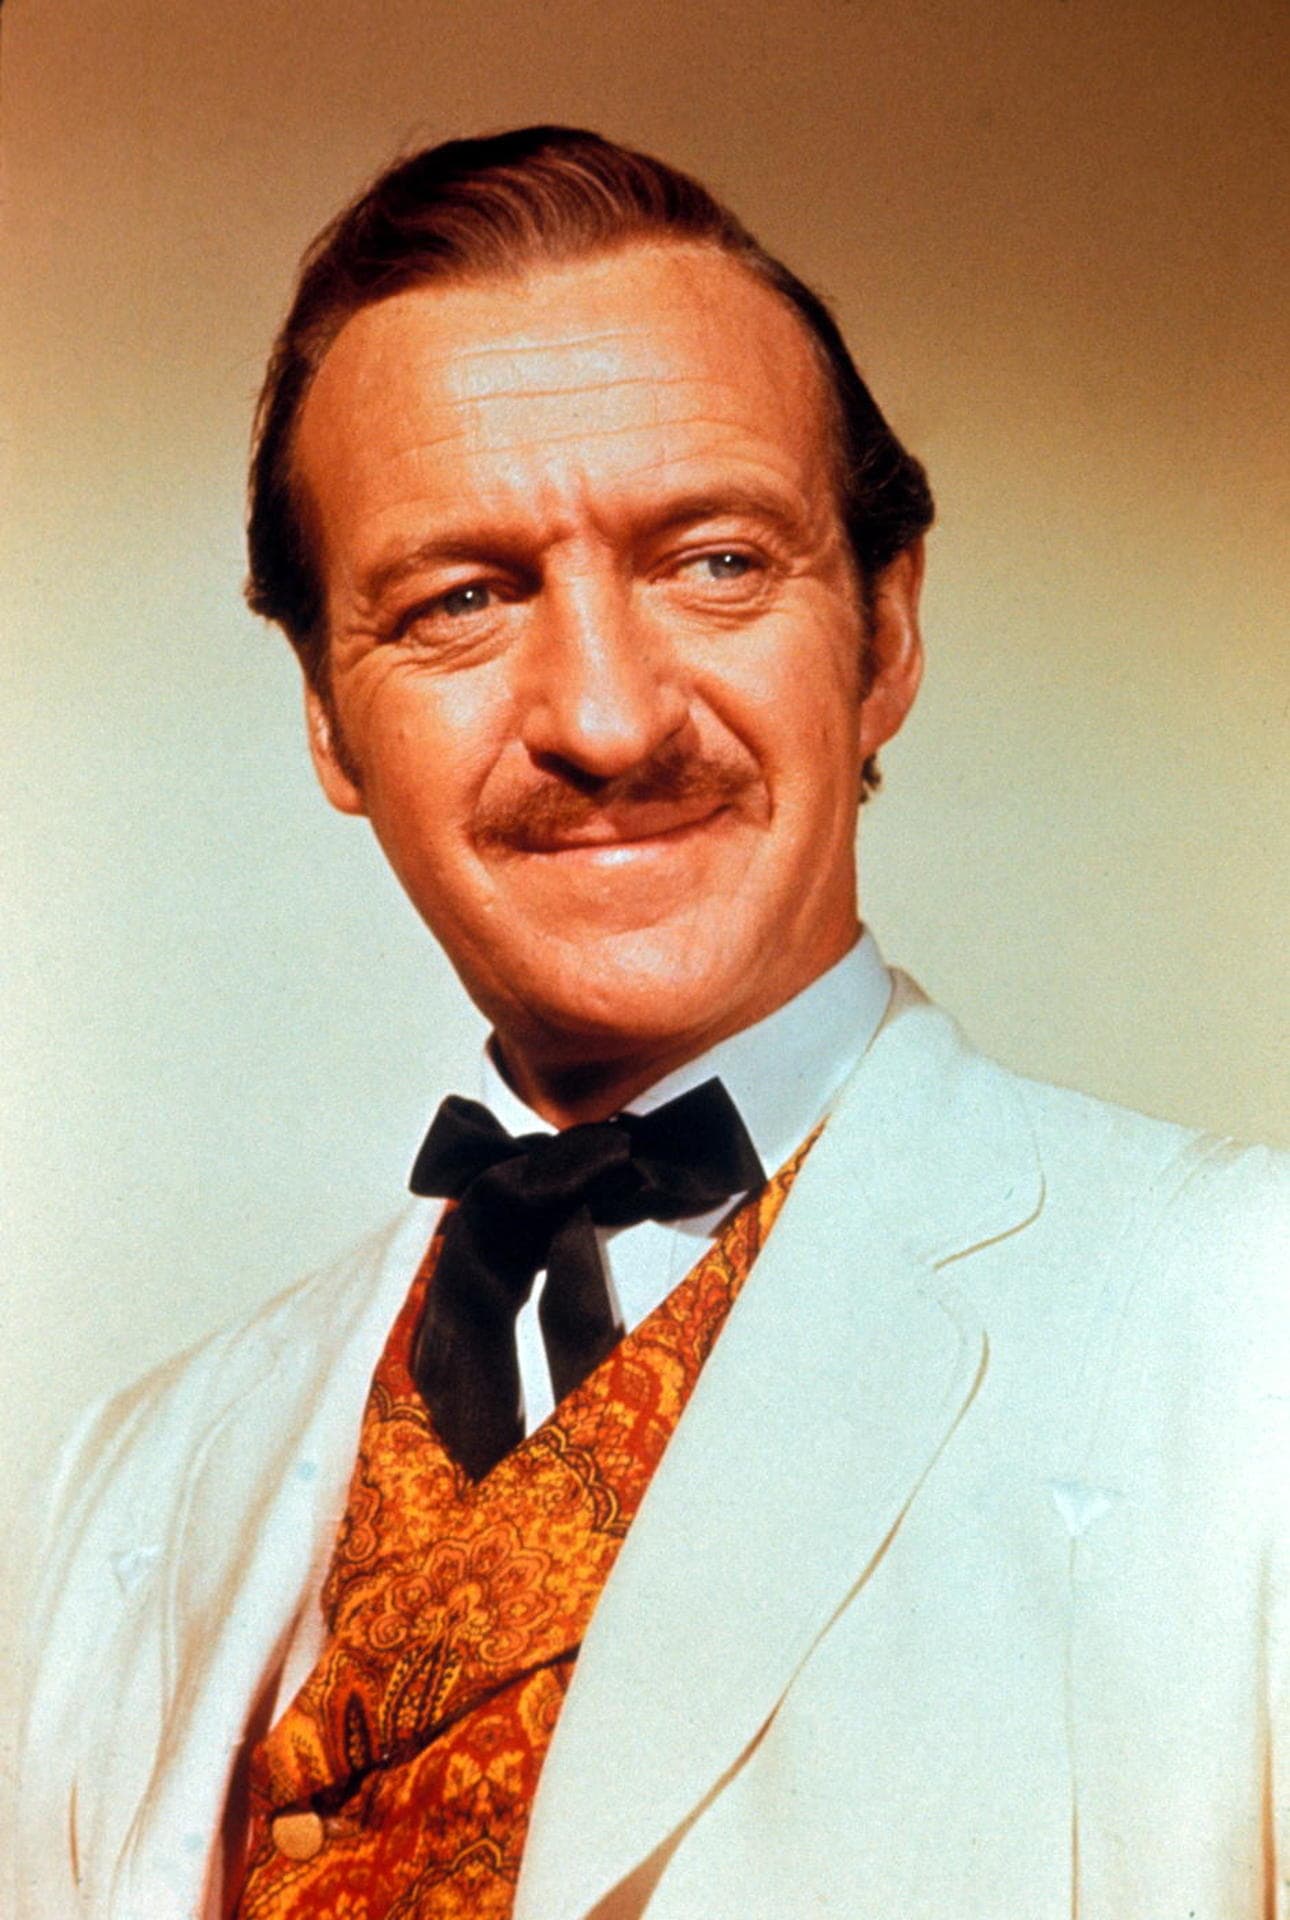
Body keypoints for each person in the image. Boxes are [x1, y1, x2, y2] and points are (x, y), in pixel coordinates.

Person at [4, 125, 1287, 1920]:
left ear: (885, 635)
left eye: (715, 562)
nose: (605, 720)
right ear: (327, 720)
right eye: (459, 601)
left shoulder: (1243, 1332)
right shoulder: (133, 1480)